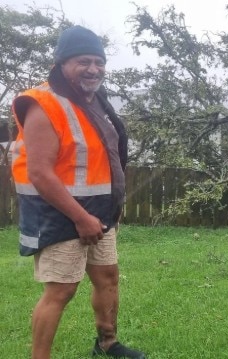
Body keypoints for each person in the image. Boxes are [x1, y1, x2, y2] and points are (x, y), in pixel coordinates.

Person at [11, 25, 145, 359]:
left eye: (99, 62)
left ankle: (107, 344)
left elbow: (103, 162)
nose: (94, 69)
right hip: (61, 215)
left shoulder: (95, 102)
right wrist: (82, 218)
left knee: (108, 277)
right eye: (84, 61)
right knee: (61, 290)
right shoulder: (43, 103)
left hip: (99, 213)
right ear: (61, 63)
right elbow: (39, 172)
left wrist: (111, 210)